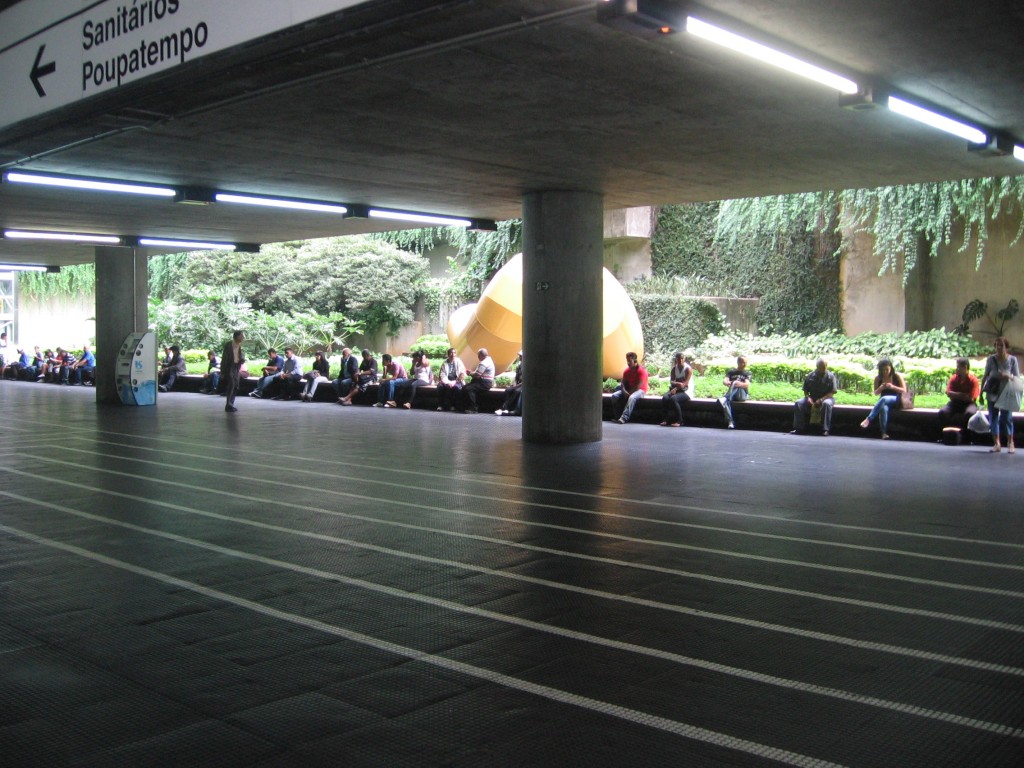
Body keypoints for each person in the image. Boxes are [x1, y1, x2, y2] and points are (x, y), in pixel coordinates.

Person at [981, 336, 1021, 453]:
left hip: (1006, 394)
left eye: (1001, 345)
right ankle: (996, 443)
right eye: (996, 345)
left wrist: (1008, 376)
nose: (998, 348)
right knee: (993, 418)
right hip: (992, 393)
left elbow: (1017, 378)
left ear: (1006, 347)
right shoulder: (991, 360)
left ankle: (1010, 442)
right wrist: (981, 393)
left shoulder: (1012, 360)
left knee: (1007, 418)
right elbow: (985, 376)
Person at [859, 358, 907, 440]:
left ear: (891, 368)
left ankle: (868, 419)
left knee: (884, 398)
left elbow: (904, 390)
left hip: (897, 399)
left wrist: (892, 387)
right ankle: (884, 433)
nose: (885, 372)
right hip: (883, 402)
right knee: (883, 409)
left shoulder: (897, 376)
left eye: (887, 369)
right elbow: (876, 393)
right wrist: (881, 388)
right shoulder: (878, 378)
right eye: (882, 370)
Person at [791, 358, 838, 435]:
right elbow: (805, 390)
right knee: (798, 403)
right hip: (813, 397)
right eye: (822, 367)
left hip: (827, 398)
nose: (824, 368)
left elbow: (832, 392)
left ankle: (825, 429)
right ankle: (799, 428)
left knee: (826, 404)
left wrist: (821, 400)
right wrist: (808, 398)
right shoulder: (810, 375)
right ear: (817, 366)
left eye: (825, 366)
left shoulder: (831, 376)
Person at [937, 357, 980, 438]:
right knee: (943, 412)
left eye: (958, 367)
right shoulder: (953, 378)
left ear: (965, 368)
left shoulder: (973, 380)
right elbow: (948, 393)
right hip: (955, 403)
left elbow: (971, 398)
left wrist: (955, 394)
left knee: (970, 413)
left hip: (969, 404)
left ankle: (965, 436)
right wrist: (963, 395)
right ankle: (945, 435)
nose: (956, 369)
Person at [610, 351, 648, 424]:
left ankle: (624, 418)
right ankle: (618, 417)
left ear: (635, 360)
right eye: (627, 361)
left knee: (632, 397)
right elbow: (623, 383)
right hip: (628, 389)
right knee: (614, 396)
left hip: (640, 390)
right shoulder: (627, 371)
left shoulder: (641, 371)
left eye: (630, 361)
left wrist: (629, 393)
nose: (628, 363)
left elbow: (638, 386)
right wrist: (624, 391)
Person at [659, 351, 692, 427]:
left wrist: (676, 387)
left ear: (684, 359)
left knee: (673, 399)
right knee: (665, 397)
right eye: (678, 359)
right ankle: (665, 420)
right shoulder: (674, 369)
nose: (680, 360)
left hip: (686, 391)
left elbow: (685, 384)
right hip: (675, 389)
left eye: (682, 359)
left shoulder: (688, 369)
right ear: (676, 360)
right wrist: (676, 384)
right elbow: (672, 381)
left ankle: (680, 421)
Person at [719, 355, 751, 430]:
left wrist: (736, 383)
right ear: (738, 362)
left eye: (746, 362)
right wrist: (729, 383)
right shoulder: (731, 371)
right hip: (733, 394)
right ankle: (730, 422)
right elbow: (724, 381)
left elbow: (746, 384)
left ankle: (726, 397)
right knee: (725, 403)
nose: (745, 364)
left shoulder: (747, 373)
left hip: (742, 395)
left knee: (735, 383)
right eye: (743, 362)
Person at [461, 347, 495, 413]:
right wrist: (472, 372)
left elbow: (477, 375)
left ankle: (473, 408)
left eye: (478, 355)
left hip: (485, 383)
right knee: (464, 387)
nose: (478, 357)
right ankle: (466, 406)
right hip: (484, 381)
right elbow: (478, 373)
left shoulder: (484, 363)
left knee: (469, 389)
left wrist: (470, 373)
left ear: (481, 355)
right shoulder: (488, 360)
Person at [221, 330, 246, 412]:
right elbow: (225, 358)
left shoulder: (239, 346)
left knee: (236, 385)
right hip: (230, 367)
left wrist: (241, 360)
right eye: (242, 336)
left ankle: (231, 404)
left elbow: (238, 356)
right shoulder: (229, 345)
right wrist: (223, 370)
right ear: (237, 336)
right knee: (231, 384)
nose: (243, 337)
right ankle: (228, 404)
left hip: (236, 367)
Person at [436, 347, 466, 412]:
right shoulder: (445, 363)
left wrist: (454, 382)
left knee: (456, 388)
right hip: (446, 380)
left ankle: (453, 405)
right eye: (451, 353)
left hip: (456, 381)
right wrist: (447, 382)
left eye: (454, 353)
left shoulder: (459, 362)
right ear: (448, 354)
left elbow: (462, 373)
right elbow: (442, 374)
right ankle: (440, 405)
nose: (453, 354)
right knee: (440, 387)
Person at [496, 350, 523, 416]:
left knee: (517, 391)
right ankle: (504, 407)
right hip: (518, 384)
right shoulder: (519, 365)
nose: (519, 357)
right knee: (508, 390)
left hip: (522, 385)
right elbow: (516, 376)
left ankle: (510, 408)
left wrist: (516, 386)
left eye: (521, 356)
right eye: (519, 356)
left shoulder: (527, 366)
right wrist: (513, 384)